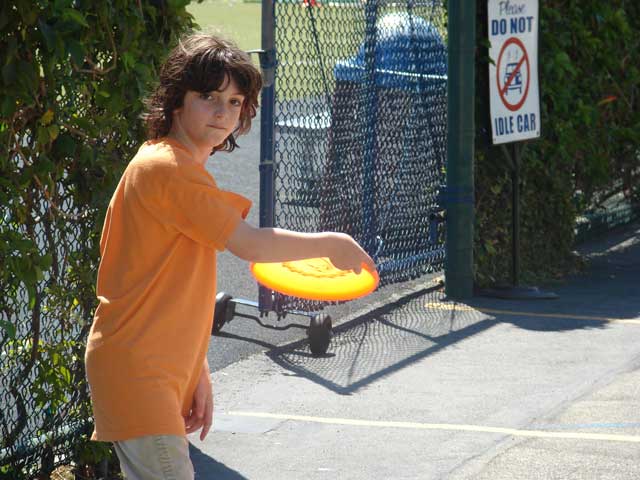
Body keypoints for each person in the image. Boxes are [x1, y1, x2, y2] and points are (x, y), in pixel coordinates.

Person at [84, 33, 375, 480]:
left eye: (235, 101)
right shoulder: (167, 168)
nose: (223, 112)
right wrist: (329, 243)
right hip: (140, 371)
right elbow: (251, 244)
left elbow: (168, 284)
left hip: (151, 366)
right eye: (209, 97)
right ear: (176, 101)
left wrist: (196, 369)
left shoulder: (176, 165)